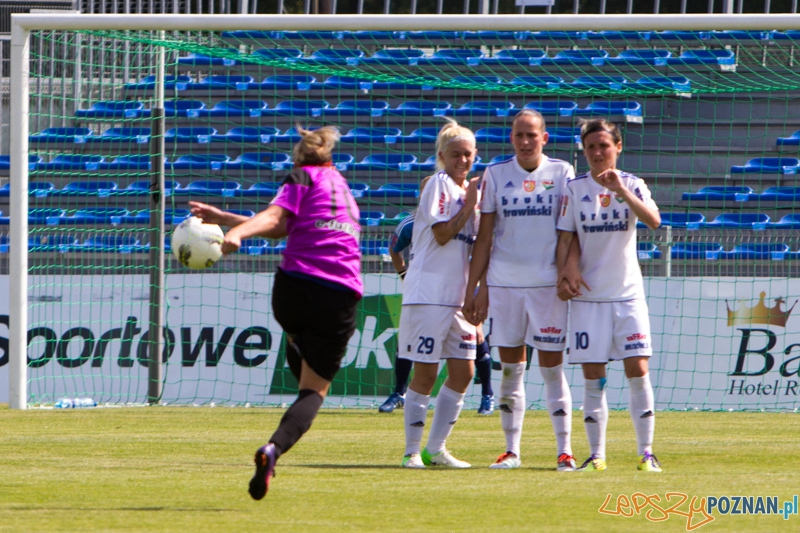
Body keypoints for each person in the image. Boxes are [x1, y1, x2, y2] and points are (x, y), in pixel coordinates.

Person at [189, 125, 364, 499]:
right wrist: (225, 220)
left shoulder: (301, 176)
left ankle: (297, 344)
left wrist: (235, 232)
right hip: (339, 294)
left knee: (297, 337)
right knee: (313, 392)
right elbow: (280, 221)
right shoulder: (343, 189)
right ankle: (273, 450)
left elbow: (276, 219)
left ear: (299, 159)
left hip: (293, 290)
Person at [462, 109, 579, 471]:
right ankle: (511, 450)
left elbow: (570, 230)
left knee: (552, 369)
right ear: (511, 139)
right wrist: (476, 289)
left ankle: (565, 451)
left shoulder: (563, 173)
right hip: (504, 285)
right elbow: (485, 237)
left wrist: (566, 272)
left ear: (545, 138)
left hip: (547, 287)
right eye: (519, 135)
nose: (526, 142)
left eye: (532, 135)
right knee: (510, 371)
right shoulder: (496, 175)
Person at [555, 118, 663, 473]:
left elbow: (653, 221)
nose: (598, 153)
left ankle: (646, 453)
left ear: (618, 147)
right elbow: (567, 237)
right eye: (591, 147)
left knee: (638, 369)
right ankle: (596, 455)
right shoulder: (574, 189)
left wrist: (622, 191)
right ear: (584, 152)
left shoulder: (633, 183)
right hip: (589, 299)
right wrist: (566, 269)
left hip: (627, 295)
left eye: (604, 146)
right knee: (593, 377)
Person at [398, 118, 481, 468]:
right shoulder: (437, 184)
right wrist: (470, 204)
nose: (463, 161)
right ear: (442, 156)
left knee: (465, 372)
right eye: (456, 154)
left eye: (468, 154)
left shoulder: (468, 195)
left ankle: (436, 448)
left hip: (458, 298)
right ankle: (411, 452)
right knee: (426, 372)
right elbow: (444, 235)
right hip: (428, 293)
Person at [380, 177, 495, 415]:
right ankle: (398, 393)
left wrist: (480, 287)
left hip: (463, 285)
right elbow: (394, 247)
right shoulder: (412, 222)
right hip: (427, 293)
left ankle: (488, 395)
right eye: (426, 193)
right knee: (416, 354)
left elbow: (485, 246)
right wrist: (403, 273)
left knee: (476, 337)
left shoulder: (469, 215)